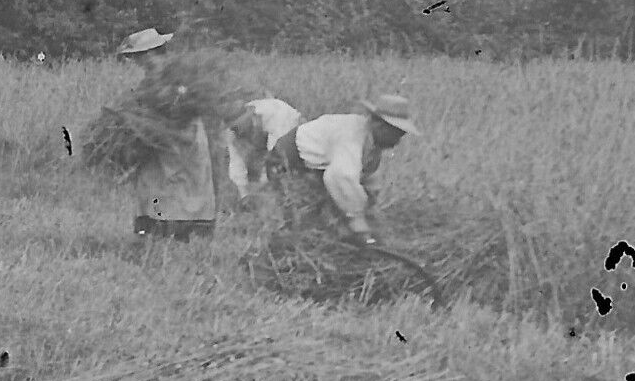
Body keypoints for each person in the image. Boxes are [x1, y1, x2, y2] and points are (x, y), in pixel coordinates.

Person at [118, 28, 232, 243]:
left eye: (142, 58)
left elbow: (187, 103)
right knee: (152, 182)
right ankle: (153, 233)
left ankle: (183, 236)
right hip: (158, 140)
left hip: (183, 137)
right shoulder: (149, 79)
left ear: (154, 53)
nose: (140, 63)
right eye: (137, 59)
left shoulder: (179, 73)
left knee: (186, 184)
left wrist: (163, 115)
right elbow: (144, 100)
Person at [268, 94, 420, 245]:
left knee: (332, 217)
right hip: (287, 161)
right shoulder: (351, 135)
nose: (398, 141)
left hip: (316, 167)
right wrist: (357, 220)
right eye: (396, 134)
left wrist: (370, 216)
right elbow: (340, 177)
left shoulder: (371, 144)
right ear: (380, 126)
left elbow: (367, 180)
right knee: (300, 220)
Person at [225, 97, 304, 199]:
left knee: (280, 173)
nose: (236, 132)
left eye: (238, 128)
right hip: (265, 138)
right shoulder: (236, 130)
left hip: (288, 134)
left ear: (252, 117)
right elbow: (237, 165)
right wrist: (245, 196)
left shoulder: (280, 118)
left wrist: (262, 187)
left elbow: (278, 161)